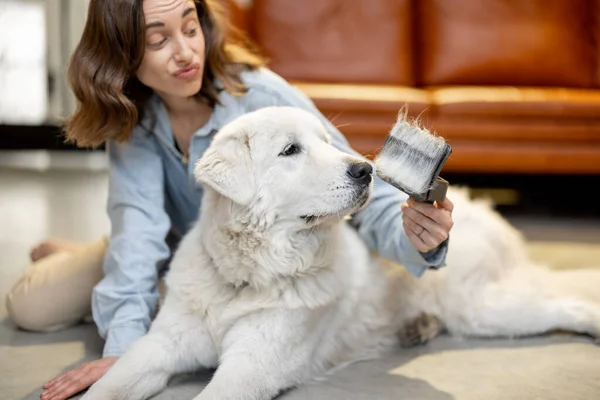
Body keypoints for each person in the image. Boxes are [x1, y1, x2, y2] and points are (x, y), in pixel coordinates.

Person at [5, 1, 454, 399]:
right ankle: (78, 256)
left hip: (232, 256)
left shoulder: (265, 97)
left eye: (190, 26)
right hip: (178, 250)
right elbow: (137, 236)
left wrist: (418, 238)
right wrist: (123, 352)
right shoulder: (134, 122)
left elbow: (354, 183)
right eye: (158, 40)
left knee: (159, 298)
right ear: (124, 55)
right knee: (31, 307)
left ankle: (85, 260)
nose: (184, 51)